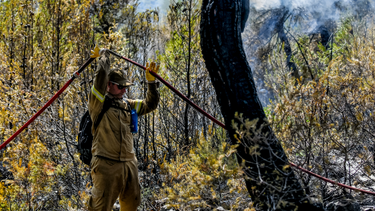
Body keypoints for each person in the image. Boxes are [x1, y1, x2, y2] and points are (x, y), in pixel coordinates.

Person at [87, 49, 160, 211]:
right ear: (108, 85)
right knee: (100, 208)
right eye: (120, 86)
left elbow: (150, 104)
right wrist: (104, 57)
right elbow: (98, 81)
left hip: (129, 164)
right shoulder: (98, 103)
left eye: (126, 86)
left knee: (131, 205)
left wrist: (151, 83)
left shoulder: (128, 105)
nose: (124, 90)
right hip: (106, 163)